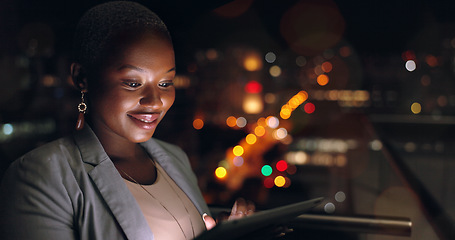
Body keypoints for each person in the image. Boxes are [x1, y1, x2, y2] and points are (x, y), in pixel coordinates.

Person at [0, 1, 254, 239]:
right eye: (133, 83)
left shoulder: (174, 158)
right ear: (82, 78)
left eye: (166, 83)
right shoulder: (40, 175)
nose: (155, 101)